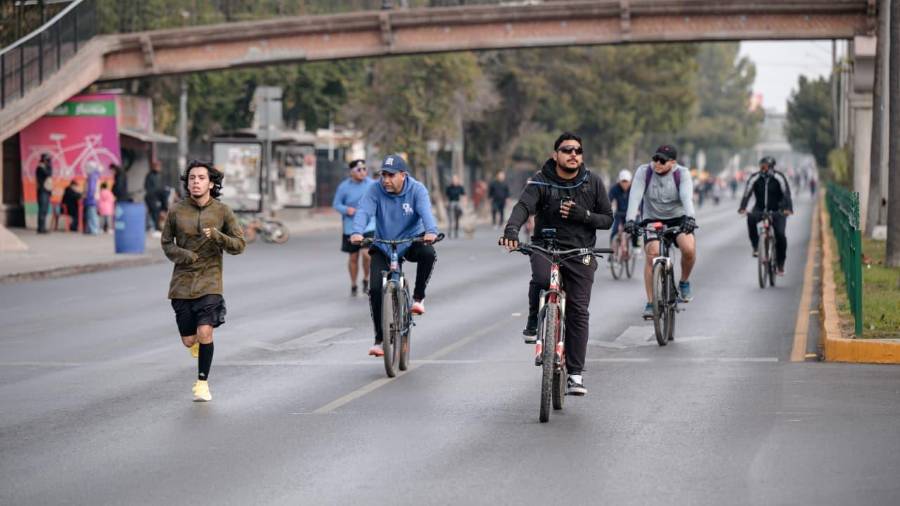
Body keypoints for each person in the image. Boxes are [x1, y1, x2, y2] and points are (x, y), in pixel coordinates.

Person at [499, 132, 613, 396]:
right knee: (540, 279)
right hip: (545, 246)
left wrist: (582, 215)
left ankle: (575, 374)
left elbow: (607, 219)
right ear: (555, 155)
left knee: (578, 311)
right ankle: (532, 319)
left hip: (580, 250)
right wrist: (511, 231)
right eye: (566, 150)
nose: (573, 154)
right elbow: (523, 207)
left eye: (577, 150)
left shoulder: (592, 182)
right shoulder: (540, 181)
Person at [161, 160, 245, 402]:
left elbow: (239, 245)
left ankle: (202, 383)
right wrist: (183, 254)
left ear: (211, 183)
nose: (195, 182)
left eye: (200, 178)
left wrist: (219, 237)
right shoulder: (177, 210)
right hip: (182, 282)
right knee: (190, 339)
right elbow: (166, 243)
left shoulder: (222, 211)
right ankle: (197, 345)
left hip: (210, 280)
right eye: (192, 178)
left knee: (205, 330)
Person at [350, 154, 439, 358]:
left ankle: (418, 297)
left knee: (428, 253)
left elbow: (426, 212)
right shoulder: (375, 189)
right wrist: (357, 231)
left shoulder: (417, 189)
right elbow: (364, 211)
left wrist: (431, 231)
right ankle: (380, 340)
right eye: (383, 175)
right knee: (374, 289)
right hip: (384, 244)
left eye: (391, 175)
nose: (386, 180)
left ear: (403, 175)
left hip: (410, 241)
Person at [624, 144, 697, 319]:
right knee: (652, 253)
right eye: (655, 158)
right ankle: (651, 302)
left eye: (662, 161)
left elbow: (687, 197)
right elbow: (635, 196)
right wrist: (630, 220)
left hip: (678, 218)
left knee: (688, 248)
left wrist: (690, 217)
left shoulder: (682, 174)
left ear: (672, 162)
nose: (657, 163)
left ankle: (684, 282)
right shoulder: (644, 172)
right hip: (652, 218)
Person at [738, 156, 793, 275]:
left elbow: (786, 194)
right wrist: (743, 207)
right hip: (760, 208)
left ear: (771, 167)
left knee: (781, 235)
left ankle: (780, 264)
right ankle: (756, 247)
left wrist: (788, 209)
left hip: (777, 210)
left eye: (765, 166)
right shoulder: (755, 178)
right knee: (751, 218)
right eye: (761, 166)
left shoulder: (779, 177)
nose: (763, 169)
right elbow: (747, 193)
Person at [333, 159, 376, 296]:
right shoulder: (344, 187)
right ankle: (353, 284)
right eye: (359, 170)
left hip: (369, 225)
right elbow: (336, 204)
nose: (362, 172)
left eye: (364, 169)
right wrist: (347, 210)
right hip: (350, 227)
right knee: (353, 257)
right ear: (351, 172)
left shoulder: (372, 184)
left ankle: (366, 278)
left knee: (367, 255)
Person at [608, 169, 638, 250]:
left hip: (631, 214)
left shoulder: (634, 189)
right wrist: (607, 209)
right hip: (619, 213)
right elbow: (608, 200)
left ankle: (636, 247)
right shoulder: (615, 189)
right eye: (623, 181)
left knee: (636, 229)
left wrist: (639, 211)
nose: (625, 184)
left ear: (630, 181)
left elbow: (640, 200)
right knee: (614, 232)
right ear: (619, 181)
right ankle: (612, 251)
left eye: (626, 181)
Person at [144, 161, 169, 234]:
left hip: (158, 197)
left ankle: (156, 228)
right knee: (154, 212)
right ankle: (155, 228)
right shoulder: (150, 175)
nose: (159, 168)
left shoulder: (159, 175)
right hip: (152, 197)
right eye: (157, 166)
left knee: (157, 212)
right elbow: (148, 187)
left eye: (159, 166)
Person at [35, 153, 53, 234]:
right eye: (47, 159)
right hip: (42, 191)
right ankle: (40, 228)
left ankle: (43, 227)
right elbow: (48, 174)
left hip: (46, 191)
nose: (49, 161)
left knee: (45, 210)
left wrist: (48, 165)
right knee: (42, 210)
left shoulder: (46, 166)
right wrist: (46, 165)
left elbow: (50, 172)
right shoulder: (40, 167)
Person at [445, 174, 466, 239]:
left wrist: (464, 202)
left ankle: (456, 231)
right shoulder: (449, 187)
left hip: (457, 203)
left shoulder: (460, 187)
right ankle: (450, 231)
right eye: (453, 179)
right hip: (451, 203)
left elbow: (464, 195)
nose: (454, 181)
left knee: (457, 218)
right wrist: (446, 203)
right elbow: (446, 196)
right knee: (451, 219)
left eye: (455, 179)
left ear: (457, 180)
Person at [83, 163, 100, 234]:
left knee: (92, 214)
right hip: (92, 198)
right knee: (91, 214)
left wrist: (88, 197)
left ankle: (94, 230)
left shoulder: (92, 177)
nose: (86, 170)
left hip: (91, 199)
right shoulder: (94, 176)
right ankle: (91, 229)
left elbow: (91, 189)